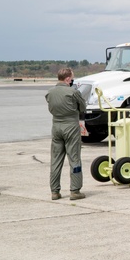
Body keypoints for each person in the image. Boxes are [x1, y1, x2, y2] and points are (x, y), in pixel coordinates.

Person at [45, 68, 87, 200]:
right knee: (74, 158)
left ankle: (55, 191)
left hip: (56, 126)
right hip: (71, 127)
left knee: (56, 160)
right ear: (68, 78)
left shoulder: (50, 93)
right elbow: (83, 108)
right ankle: (75, 190)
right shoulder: (73, 92)